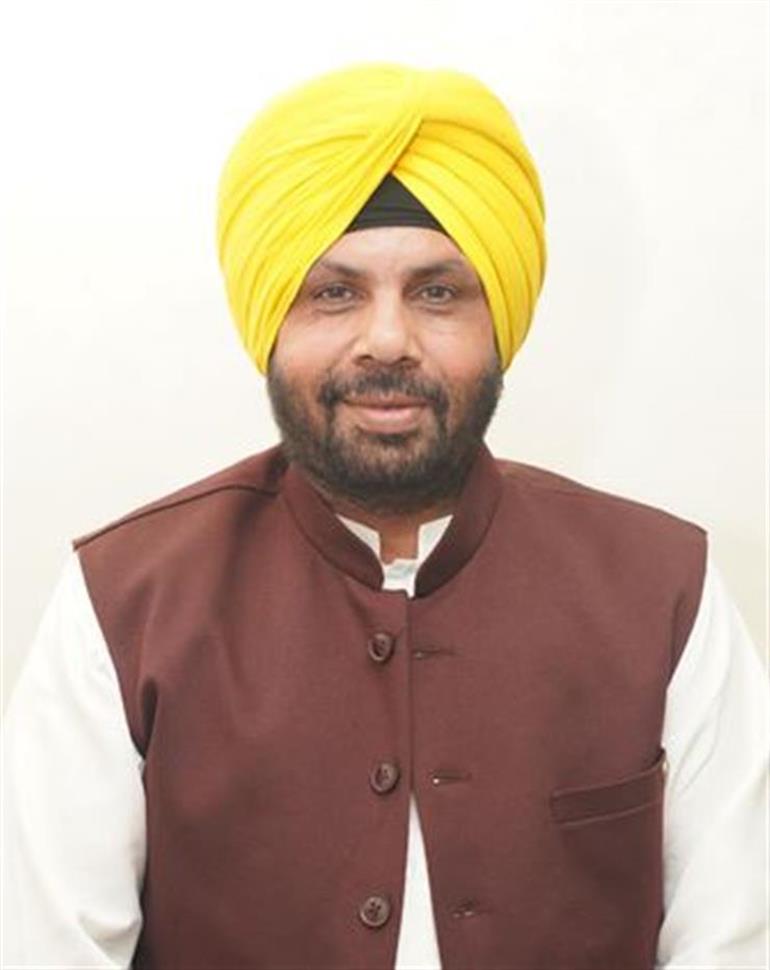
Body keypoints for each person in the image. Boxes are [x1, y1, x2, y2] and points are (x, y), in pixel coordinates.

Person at [2, 62, 767, 970]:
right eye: (335, 293)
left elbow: (734, 942)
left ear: (499, 320)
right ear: (271, 322)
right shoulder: (123, 600)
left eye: (438, 292)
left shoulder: (664, 587)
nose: (388, 340)